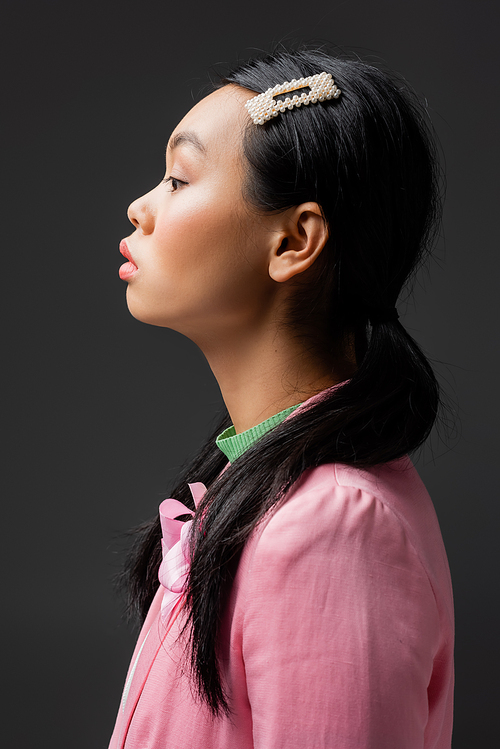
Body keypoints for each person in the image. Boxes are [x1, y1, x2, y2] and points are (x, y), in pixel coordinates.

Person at [109, 47, 454, 749]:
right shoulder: (263, 487)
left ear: (294, 240)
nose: (140, 206)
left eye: (179, 178)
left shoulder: (331, 526)